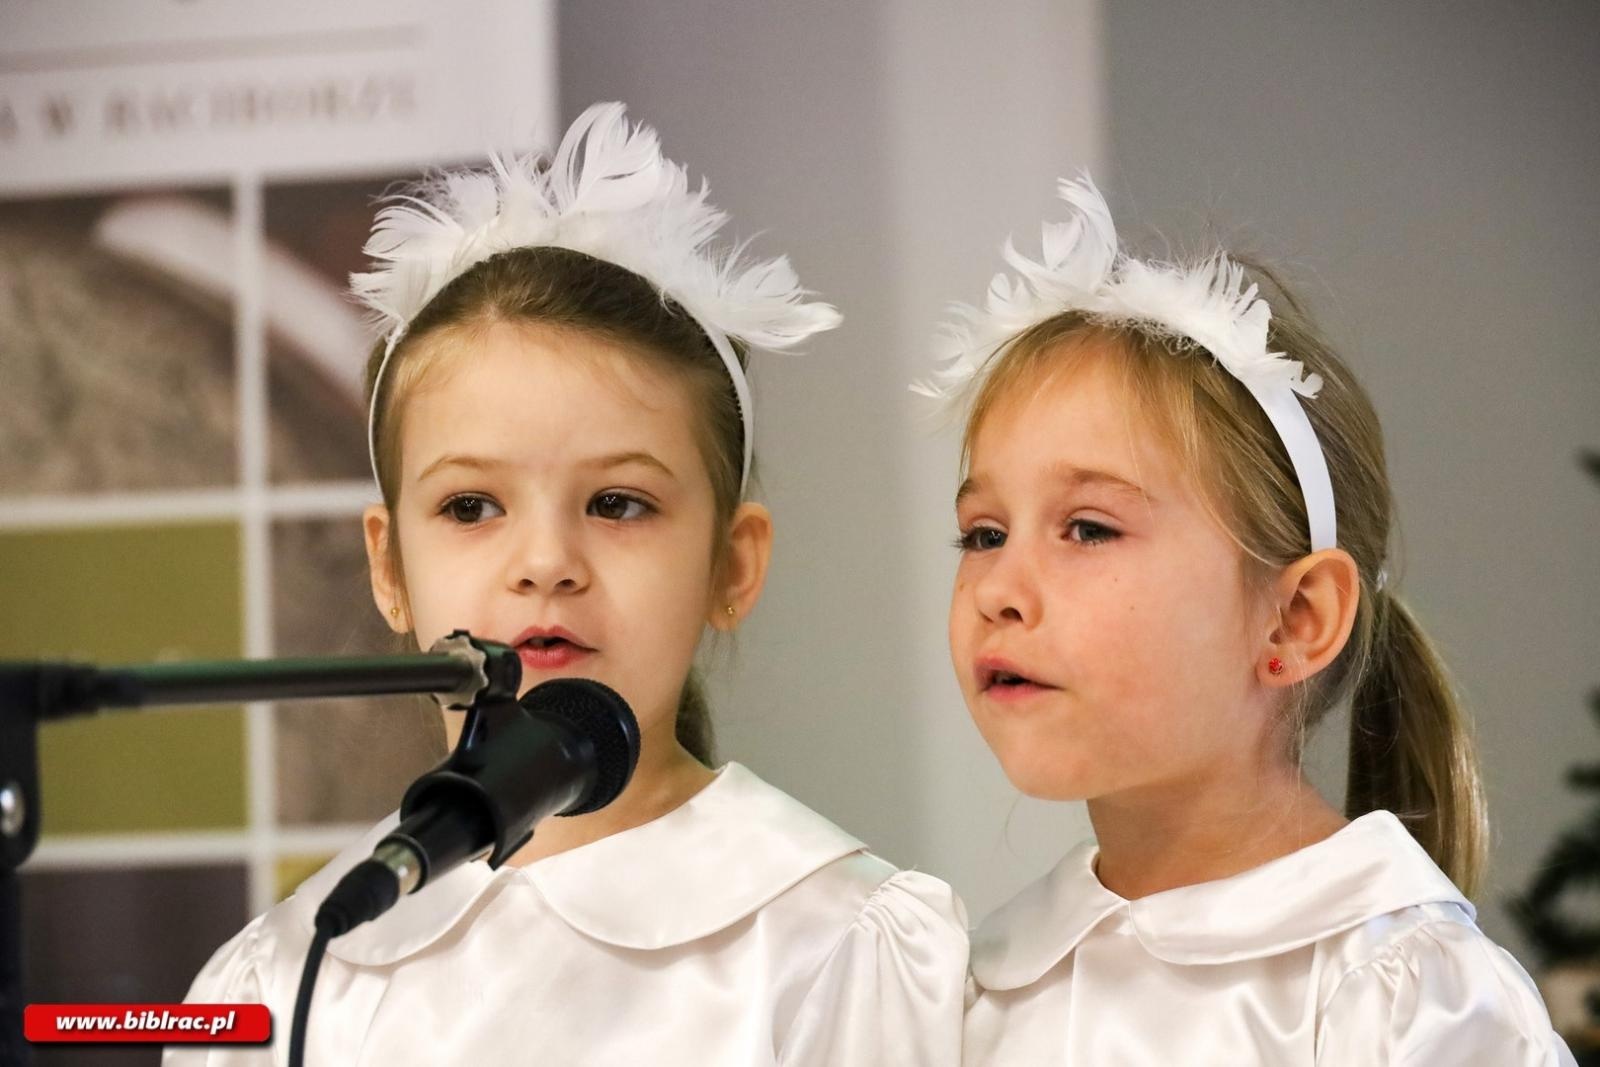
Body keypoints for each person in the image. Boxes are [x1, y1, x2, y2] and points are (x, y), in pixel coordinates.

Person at [168, 102, 967, 1066]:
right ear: (389, 566)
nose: (545, 562)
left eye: (619, 504)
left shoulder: (836, 945)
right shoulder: (294, 972)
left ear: (732, 564)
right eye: (471, 507)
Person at [923, 176, 1575, 1065]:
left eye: (1088, 528)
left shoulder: (1405, 998)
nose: (1001, 585)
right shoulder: (988, 988)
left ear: (1294, 619)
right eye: (983, 532)